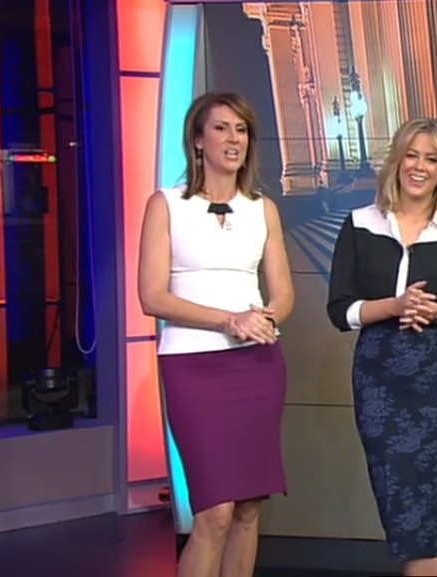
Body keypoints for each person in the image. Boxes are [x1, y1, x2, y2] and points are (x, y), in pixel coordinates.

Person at [137, 91, 294, 576]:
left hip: (257, 366)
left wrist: (266, 317)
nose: (233, 139)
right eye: (222, 128)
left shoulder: (262, 208)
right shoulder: (166, 205)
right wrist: (228, 320)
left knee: (247, 508)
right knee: (215, 512)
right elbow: (152, 297)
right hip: (193, 367)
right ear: (199, 140)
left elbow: (284, 293)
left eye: (241, 129)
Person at [326, 117, 437, 576]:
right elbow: (340, 310)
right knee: (404, 506)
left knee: (429, 507)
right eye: (412, 155)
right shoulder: (360, 224)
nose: (419, 167)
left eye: (431, 159)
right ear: (396, 161)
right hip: (380, 381)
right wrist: (394, 306)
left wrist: (435, 312)